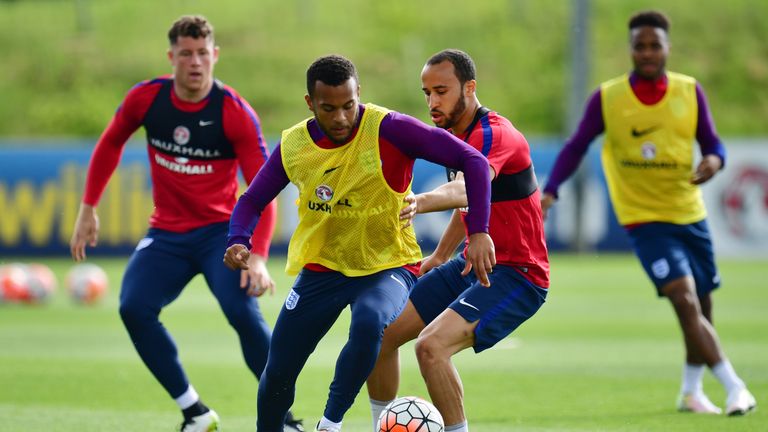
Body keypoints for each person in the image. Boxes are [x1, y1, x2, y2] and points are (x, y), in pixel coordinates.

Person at [223, 54, 495, 432]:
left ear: (358, 95)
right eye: (328, 108)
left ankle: (330, 424)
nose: (340, 117)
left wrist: (479, 230)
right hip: (322, 269)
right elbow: (252, 200)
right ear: (310, 103)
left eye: (348, 105)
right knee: (278, 372)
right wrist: (239, 239)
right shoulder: (295, 145)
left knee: (370, 321)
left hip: (387, 266)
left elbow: (475, 163)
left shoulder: (390, 129)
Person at [69, 15, 304, 432]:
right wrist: (88, 207)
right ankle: (195, 412)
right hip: (167, 233)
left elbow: (262, 191)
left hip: (221, 235)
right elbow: (110, 144)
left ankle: (283, 420)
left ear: (214, 56)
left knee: (242, 311)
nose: (194, 62)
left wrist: (259, 255)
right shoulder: (146, 99)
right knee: (133, 307)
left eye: (202, 54)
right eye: (185, 54)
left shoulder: (234, 113)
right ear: (171, 57)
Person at [541, 11, 756, 416]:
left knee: (701, 308)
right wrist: (551, 189)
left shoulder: (689, 92)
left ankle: (691, 392)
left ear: (668, 48)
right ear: (631, 50)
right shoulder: (608, 98)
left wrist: (714, 161)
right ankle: (735, 387)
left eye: (654, 44)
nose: (647, 52)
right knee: (683, 297)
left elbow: (714, 144)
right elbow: (576, 146)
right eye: (639, 45)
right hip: (643, 219)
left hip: (689, 213)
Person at [364, 49, 550, 432]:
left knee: (430, 348)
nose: (432, 102)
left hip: (518, 274)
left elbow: (466, 189)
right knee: (379, 336)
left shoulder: (496, 134)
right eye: (427, 92)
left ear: (470, 88)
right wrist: (441, 254)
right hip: (469, 264)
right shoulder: (454, 135)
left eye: (441, 91)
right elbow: (472, 203)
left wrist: (416, 201)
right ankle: (376, 426)